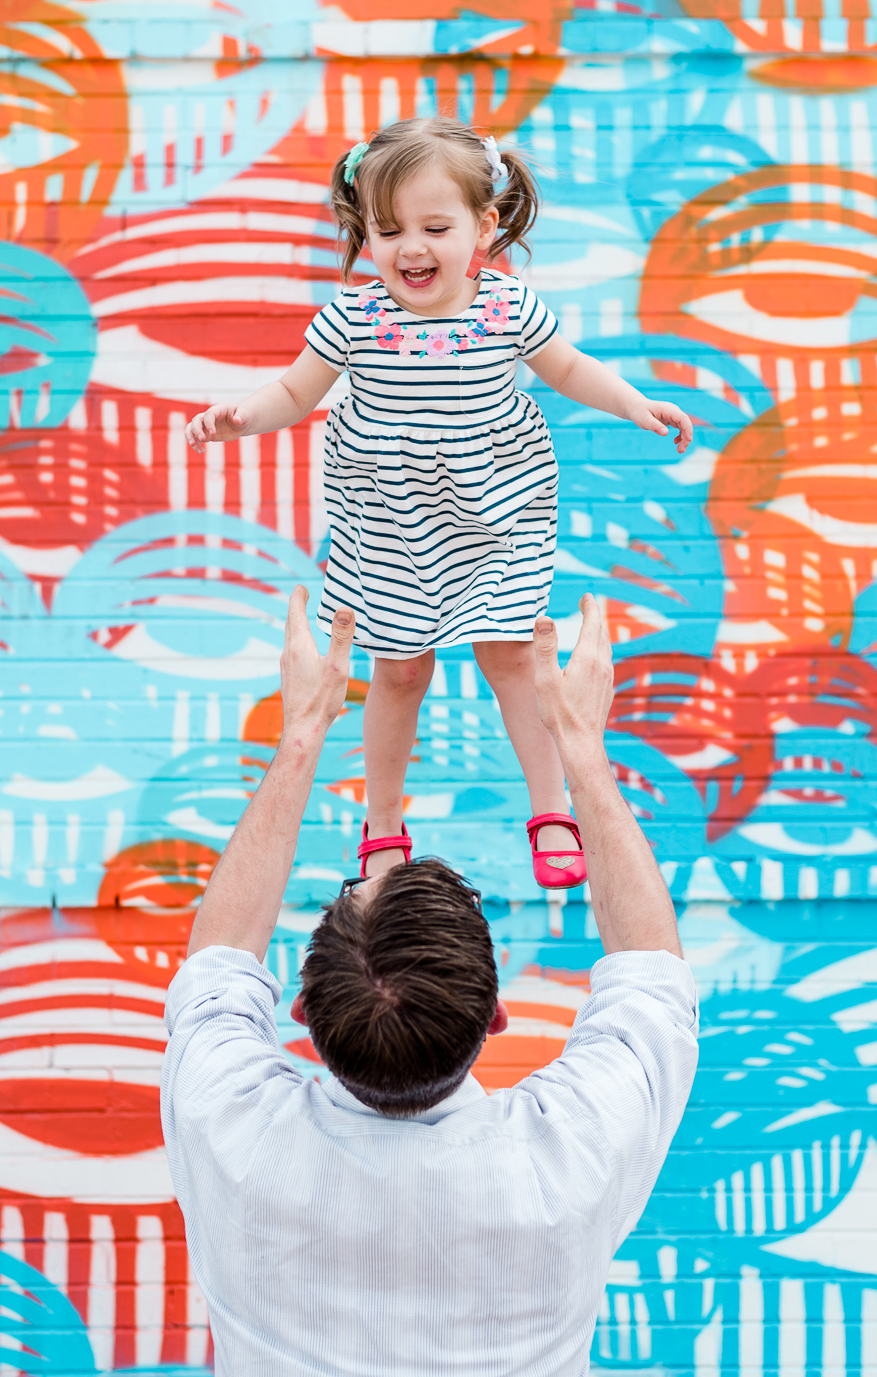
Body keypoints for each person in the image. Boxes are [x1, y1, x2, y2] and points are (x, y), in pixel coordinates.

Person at [161, 587, 699, 1377]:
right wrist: (580, 746)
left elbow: (218, 960)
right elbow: (651, 974)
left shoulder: (233, 1134)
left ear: (303, 1012)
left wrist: (303, 733)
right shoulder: (569, 1162)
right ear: (497, 1020)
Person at [184, 117, 693, 890]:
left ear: (483, 227)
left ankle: (551, 807)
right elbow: (294, 392)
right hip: (391, 522)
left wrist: (634, 404)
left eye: (434, 226)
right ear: (365, 236)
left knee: (515, 655)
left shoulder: (506, 308)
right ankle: (383, 823)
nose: (409, 248)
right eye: (387, 231)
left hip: (493, 516)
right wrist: (240, 417)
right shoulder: (353, 319)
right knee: (397, 674)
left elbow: (569, 370)